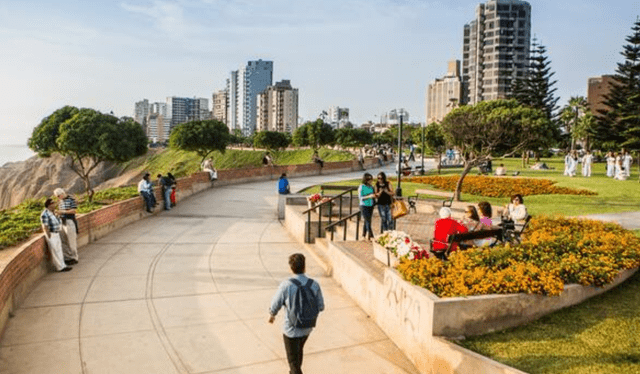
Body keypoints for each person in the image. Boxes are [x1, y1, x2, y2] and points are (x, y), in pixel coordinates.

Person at [269, 253, 324, 374]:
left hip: (291, 330)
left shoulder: (286, 285)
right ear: (304, 267)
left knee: (294, 364)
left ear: (291, 268)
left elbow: (275, 304)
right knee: (298, 354)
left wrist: (272, 315)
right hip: (308, 327)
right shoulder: (314, 284)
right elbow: (321, 306)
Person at [40, 198, 72, 272]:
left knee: (59, 250)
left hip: (57, 233)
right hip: (52, 234)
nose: (54, 204)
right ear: (49, 205)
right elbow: (45, 226)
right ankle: (60, 267)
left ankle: (63, 265)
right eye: (53, 203)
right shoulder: (45, 214)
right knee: (55, 251)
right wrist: (49, 236)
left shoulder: (52, 212)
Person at [54, 188, 79, 265]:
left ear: (62, 193)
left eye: (58, 196)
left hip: (69, 221)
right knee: (63, 240)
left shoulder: (71, 199)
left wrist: (63, 211)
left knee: (71, 240)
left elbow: (74, 210)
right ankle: (67, 257)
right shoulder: (60, 201)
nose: (58, 197)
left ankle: (74, 257)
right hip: (62, 221)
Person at [358, 173, 376, 240]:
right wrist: (369, 196)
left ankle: (363, 235)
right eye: (369, 180)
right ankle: (371, 236)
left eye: (371, 180)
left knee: (367, 221)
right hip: (364, 205)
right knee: (367, 220)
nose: (371, 181)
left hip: (370, 205)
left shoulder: (371, 187)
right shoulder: (362, 187)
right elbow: (360, 197)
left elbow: (373, 195)